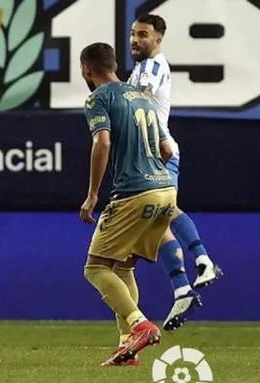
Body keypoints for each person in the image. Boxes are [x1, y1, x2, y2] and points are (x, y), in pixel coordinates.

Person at [78, 42, 177, 366]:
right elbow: (166, 149)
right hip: (165, 190)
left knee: (95, 267)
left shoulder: (98, 98)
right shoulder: (143, 98)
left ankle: (140, 325)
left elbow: (102, 142)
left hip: (133, 193)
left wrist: (93, 194)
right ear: (116, 65)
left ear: (86, 70)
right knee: (123, 266)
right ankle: (127, 348)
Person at [126, 15, 222, 332]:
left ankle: (201, 261)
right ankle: (184, 287)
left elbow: (135, 103)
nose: (135, 40)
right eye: (132, 34)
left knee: (162, 213)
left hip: (158, 152)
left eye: (143, 34)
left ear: (159, 39)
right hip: (148, 154)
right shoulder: (142, 67)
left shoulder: (152, 68)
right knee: (156, 221)